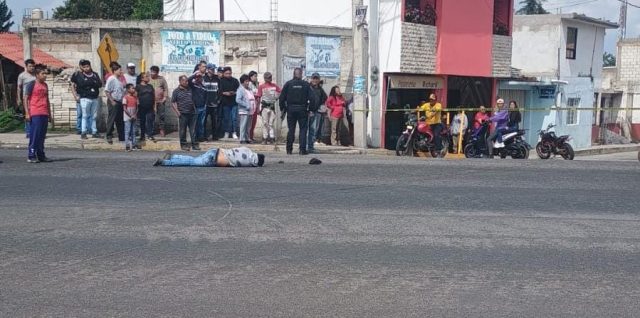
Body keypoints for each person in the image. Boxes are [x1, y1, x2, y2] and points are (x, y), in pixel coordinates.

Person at [279, 67, 318, 155]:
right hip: (302, 109)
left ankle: (289, 150)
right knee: (303, 130)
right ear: (301, 74)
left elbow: (281, 98)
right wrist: (311, 109)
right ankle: (302, 150)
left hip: (291, 109)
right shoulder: (305, 84)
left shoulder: (288, 84)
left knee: (291, 130)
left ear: (293, 74)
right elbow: (312, 98)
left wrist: (283, 108)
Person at [23, 64, 52, 163]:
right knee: (35, 135)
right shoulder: (31, 84)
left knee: (42, 136)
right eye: (42, 73)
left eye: (45, 73)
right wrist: (27, 113)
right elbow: (25, 98)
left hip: (44, 112)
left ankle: (41, 155)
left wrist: (50, 114)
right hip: (35, 112)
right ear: (37, 74)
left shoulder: (45, 85)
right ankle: (31, 155)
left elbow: (47, 100)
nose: (45, 75)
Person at [71, 60, 102, 140]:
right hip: (84, 98)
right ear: (82, 67)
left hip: (94, 98)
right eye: (84, 67)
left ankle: (94, 132)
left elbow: (99, 84)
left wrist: (91, 83)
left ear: (90, 66)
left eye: (87, 66)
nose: (86, 68)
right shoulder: (79, 75)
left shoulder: (95, 74)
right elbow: (77, 84)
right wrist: (75, 95)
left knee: (94, 116)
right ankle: (83, 132)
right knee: (84, 115)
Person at [153, 147, 265, 167]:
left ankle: (172, 157)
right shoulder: (247, 164)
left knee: (192, 159)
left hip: (216, 150)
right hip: (214, 160)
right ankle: (165, 162)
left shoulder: (246, 150)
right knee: (191, 162)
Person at [171, 75, 199, 151]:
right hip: (183, 114)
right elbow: (173, 102)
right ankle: (183, 145)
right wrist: (177, 112)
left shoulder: (190, 89)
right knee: (183, 130)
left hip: (192, 113)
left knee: (193, 130)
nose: (187, 82)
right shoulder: (176, 91)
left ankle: (195, 145)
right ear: (180, 81)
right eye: (185, 81)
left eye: (187, 81)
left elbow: (192, 79)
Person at [256, 72, 281, 144]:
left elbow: (280, 92)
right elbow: (258, 97)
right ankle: (265, 138)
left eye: (270, 77)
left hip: (271, 107)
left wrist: (276, 98)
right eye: (267, 77)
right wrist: (258, 108)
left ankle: (272, 138)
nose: (269, 79)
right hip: (264, 107)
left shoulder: (275, 86)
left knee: (271, 123)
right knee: (265, 123)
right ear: (264, 78)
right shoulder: (261, 86)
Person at [105, 62, 126, 144]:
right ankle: (109, 135)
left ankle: (121, 136)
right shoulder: (111, 79)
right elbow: (107, 91)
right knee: (112, 119)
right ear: (114, 71)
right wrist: (112, 101)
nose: (121, 71)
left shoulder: (119, 80)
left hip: (120, 102)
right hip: (113, 101)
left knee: (120, 120)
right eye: (119, 70)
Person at [308, 72, 328, 152]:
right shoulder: (308, 87)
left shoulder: (320, 89)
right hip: (307, 111)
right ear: (311, 79)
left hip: (316, 112)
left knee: (313, 130)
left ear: (319, 80)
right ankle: (305, 146)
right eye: (314, 78)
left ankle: (310, 146)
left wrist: (321, 107)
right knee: (306, 130)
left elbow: (324, 98)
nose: (315, 80)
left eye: (316, 78)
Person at [17, 59, 36, 139]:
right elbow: (19, 87)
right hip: (27, 98)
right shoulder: (22, 76)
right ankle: (28, 132)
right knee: (28, 115)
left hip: (35, 98)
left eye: (33, 66)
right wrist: (18, 98)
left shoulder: (36, 75)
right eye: (30, 66)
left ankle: (36, 132)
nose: (32, 68)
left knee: (35, 115)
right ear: (26, 66)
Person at [219, 67, 240, 140]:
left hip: (234, 102)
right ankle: (226, 132)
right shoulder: (221, 81)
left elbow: (238, 90)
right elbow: (219, 91)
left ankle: (234, 132)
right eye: (226, 73)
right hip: (225, 102)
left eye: (229, 73)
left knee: (234, 118)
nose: (228, 75)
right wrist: (225, 93)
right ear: (224, 74)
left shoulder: (235, 81)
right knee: (226, 118)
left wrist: (233, 92)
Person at [188, 69, 208, 142]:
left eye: (200, 77)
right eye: (197, 77)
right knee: (194, 124)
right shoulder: (193, 86)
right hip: (195, 108)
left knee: (201, 124)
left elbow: (206, 97)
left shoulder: (204, 86)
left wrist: (205, 105)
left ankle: (201, 137)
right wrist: (195, 75)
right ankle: (194, 138)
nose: (198, 78)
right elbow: (188, 80)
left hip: (203, 108)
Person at [236, 74, 257, 144]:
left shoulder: (249, 89)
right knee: (243, 125)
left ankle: (247, 138)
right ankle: (242, 138)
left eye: (248, 81)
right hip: (244, 110)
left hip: (250, 110)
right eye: (246, 81)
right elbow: (238, 100)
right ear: (242, 82)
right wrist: (246, 105)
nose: (247, 83)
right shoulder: (240, 90)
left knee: (249, 126)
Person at [202, 63, 221, 141]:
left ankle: (215, 136)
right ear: (208, 69)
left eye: (214, 69)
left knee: (214, 121)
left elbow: (220, 91)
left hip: (214, 104)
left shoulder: (217, 79)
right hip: (205, 104)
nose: (213, 70)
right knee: (204, 121)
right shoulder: (203, 78)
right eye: (212, 69)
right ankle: (204, 136)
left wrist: (218, 100)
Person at [149, 66, 169, 137]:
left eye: (154, 72)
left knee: (161, 116)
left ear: (157, 73)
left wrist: (165, 97)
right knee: (151, 116)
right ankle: (150, 130)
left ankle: (162, 129)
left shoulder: (162, 79)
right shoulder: (148, 78)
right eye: (151, 71)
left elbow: (165, 88)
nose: (152, 73)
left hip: (160, 101)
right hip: (150, 102)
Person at [137, 72, 156, 142]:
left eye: (148, 76)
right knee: (142, 121)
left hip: (150, 107)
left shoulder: (150, 86)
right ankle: (142, 136)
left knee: (150, 121)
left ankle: (150, 135)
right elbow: (136, 96)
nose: (148, 78)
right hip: (142, 107)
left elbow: (154, 96)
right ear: (142, 78)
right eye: (146, 76)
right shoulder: (138, 86)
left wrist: (155, 106)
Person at [69, 60, 86, 135]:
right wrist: (75, 95)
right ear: (79, 65)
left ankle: (86, 129)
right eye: (82, 65)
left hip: (88, 96)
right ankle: (79, 129)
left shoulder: (89, 73)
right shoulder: (76, 74)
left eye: (84, 65)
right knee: (80, 114)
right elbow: (72, 85)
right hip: (79, 95)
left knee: (87, 114)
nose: (83, 67)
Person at [122, 84, 139, 151]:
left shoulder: (135, 98)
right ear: (128, 89)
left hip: (134, 116)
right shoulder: (125, 97)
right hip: (127, 117)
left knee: (133, 131)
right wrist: (130, 115)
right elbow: (125, 108)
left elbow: (137, 108)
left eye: (134, 88)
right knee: (127, 131)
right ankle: (127, 146)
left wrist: (134, 115)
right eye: (132, 88)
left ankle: (134, 145)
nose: (134, 89)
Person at [248, 70, 260, 141]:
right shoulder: (249, 84)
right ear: (251, 77)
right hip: (250, 105)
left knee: (254, 122)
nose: (256, 78)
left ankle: (251, 136)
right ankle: (248, 136)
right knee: (250, 122)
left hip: (256, 104)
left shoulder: (256, 84)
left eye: (256, 76)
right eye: (254, 76)